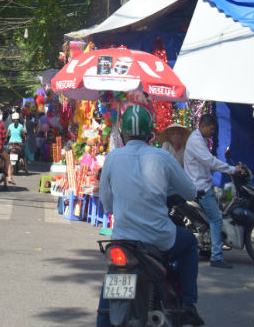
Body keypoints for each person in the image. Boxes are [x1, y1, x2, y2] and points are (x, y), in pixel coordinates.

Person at [99, 105, 202, 327]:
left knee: (112, 278)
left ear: (122, 133)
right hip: (158, 238)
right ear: (150, 133)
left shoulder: (112, 158)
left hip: (123, 241)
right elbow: (190, 191)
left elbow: (107, 205)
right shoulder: (162, 156)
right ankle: (187, 303)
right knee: (190, 243)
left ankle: (103, 321)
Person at [183, 114, 241, 269]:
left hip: (204, 185)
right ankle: (216, 257)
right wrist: (232, 169)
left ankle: (207, 250)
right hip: (200, 188)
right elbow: (210, 161)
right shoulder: (196, 140)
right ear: (203, 126)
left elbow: (209, 161)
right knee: (216, 219)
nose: (212, 132)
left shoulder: (200, 139)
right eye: (212, 129)